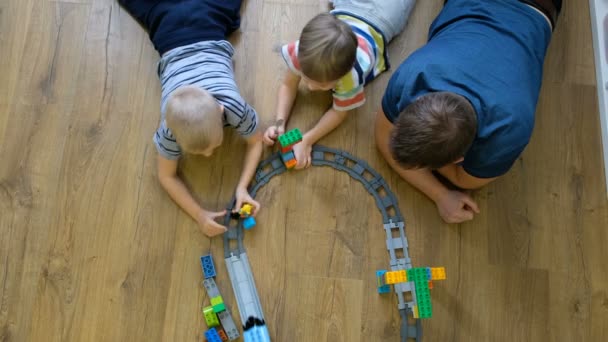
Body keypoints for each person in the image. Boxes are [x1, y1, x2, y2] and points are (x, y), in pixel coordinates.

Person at [376, 0, 562, 223]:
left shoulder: (509, 128)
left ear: (459, 158)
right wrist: (440, 193)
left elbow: (463, 180)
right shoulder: (414, 75)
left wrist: (442, 195)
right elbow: (384, 135)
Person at [119, 0, 263, 236]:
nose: (209, 155)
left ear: (221, 111)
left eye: (212, 146)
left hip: (195, 23)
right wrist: (198, 214)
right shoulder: (168, 130)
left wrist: (242, 188)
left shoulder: (233, 105)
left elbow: (257, 140)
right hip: (179, 27)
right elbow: (165, 177)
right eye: (201, 152)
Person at [263, 0, 416, 167]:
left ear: (342, 76)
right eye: (306, 78)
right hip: (349, 6)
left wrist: (307, 140)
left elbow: (339, 113)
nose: (311, 87)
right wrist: (279, 123)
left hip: (384, 17)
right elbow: (288, 84)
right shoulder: (302, 52)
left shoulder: (351, 77)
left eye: (322, 85)